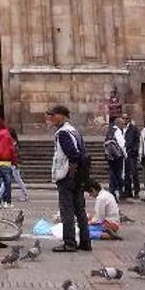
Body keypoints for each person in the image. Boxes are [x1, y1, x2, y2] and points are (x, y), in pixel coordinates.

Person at [47, 104, 91, 252]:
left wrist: (69, 173)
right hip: (77, 176)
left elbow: (73, 154)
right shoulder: (74, 131)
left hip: (68, 177)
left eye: (53, 115)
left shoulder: (64, 133)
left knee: (67, 210)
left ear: (63, 116)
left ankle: (69, 243)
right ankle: (85, 242)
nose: (51, 118)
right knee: (80, 209)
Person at [103, 117, 126, 199]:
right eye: (123, 124)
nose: (124, 126)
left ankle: (112, 191)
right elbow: (122, 144)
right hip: (117, 156)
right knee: (119, 174)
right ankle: (119, 192)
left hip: (110, 156)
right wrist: (125, 154)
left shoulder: (110, 131)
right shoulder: (117, 131)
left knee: (113, 174)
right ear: (118, 124)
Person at [7, 128, 29, 203]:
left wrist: (15, 163)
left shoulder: (14, 143)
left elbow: (15, 155)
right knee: (7, 180)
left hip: (13, 164)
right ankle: (0, 195)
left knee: (18, 180)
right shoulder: (11, 143)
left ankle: (25, 194)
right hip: (11, 163)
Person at [122, 116, 140, 199]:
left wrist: (133, 150)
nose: (124, 120)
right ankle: (127, 191)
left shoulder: (133, 129)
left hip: (131, 154)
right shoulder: (120, 129)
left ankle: (136, 191)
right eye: (123, 118)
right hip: (123, 154)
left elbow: (137, 141)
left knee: (134, 173)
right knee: (126, 174)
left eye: (126, 118)